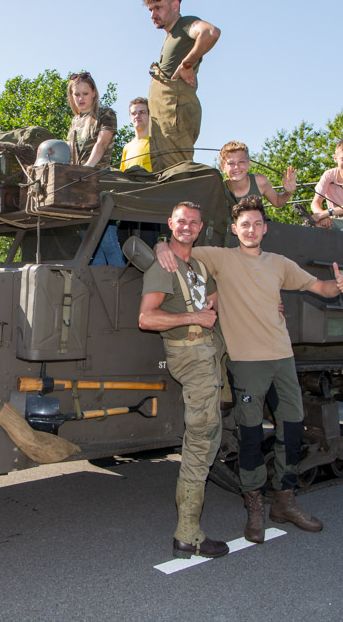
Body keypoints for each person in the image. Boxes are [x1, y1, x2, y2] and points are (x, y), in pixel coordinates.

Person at [155, 195, 343, 543]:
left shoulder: (279, 264)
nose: (251, 230)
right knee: (250, 437)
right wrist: (160, 246)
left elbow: (318, 287)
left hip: (282, 358)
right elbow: (181, 245)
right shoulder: (221, 257)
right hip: (246, 363)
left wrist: (337, 286)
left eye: (257, 224)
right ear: (235, 229)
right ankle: (255, 507)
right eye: (245, 224)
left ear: (265, 229)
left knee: (292, 430)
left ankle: (284, 501)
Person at [138, 201, 228, 559]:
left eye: (193, 222)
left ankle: (189, 532)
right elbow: (147, 318)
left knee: (209, 434)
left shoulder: (199, 265)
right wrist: (193, 317)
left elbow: (217, 303)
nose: (187, 226)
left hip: (208, 352)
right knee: (202, 441)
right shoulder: (163, 266)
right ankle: (188, 534)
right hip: (190, 355)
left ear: (200, 227)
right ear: (170, 224)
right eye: (181, 221)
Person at [142, 0, 220, 172]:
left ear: (175, 5)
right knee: (164, 174)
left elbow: (210, 32)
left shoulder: (185, 24)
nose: (153, 15)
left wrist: (187, 64)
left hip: (174, 115)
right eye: (150, 10)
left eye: (158, 7)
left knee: (178, 171)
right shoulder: (170, 35)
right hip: (162, 118)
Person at [66, 72, 123, 266]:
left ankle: (121, 285)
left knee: (108, 243)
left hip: (99, 182)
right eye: (77, 94)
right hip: (79, 186)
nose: (81, 98)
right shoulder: (76, 121)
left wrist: (86, 171)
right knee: (90, 249)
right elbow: (71, 154)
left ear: (94, 93)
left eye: (85, 93)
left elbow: (101, 145)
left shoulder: (106, 114)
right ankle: (97, 286)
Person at [220, 141, 297, 211]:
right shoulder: (219, 190)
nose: (236, 167)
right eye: (231, 163)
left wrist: (288, 192)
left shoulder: (260, 181)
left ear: (248, 163)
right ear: (223, 168)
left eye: (241, 162)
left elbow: (277, 202)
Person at [120, 97, 153, 172]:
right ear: (130, 118)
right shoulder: (127, 148)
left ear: (149, 115)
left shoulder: (156, 143)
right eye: (133, 113)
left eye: (142, 112)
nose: (137, 116)